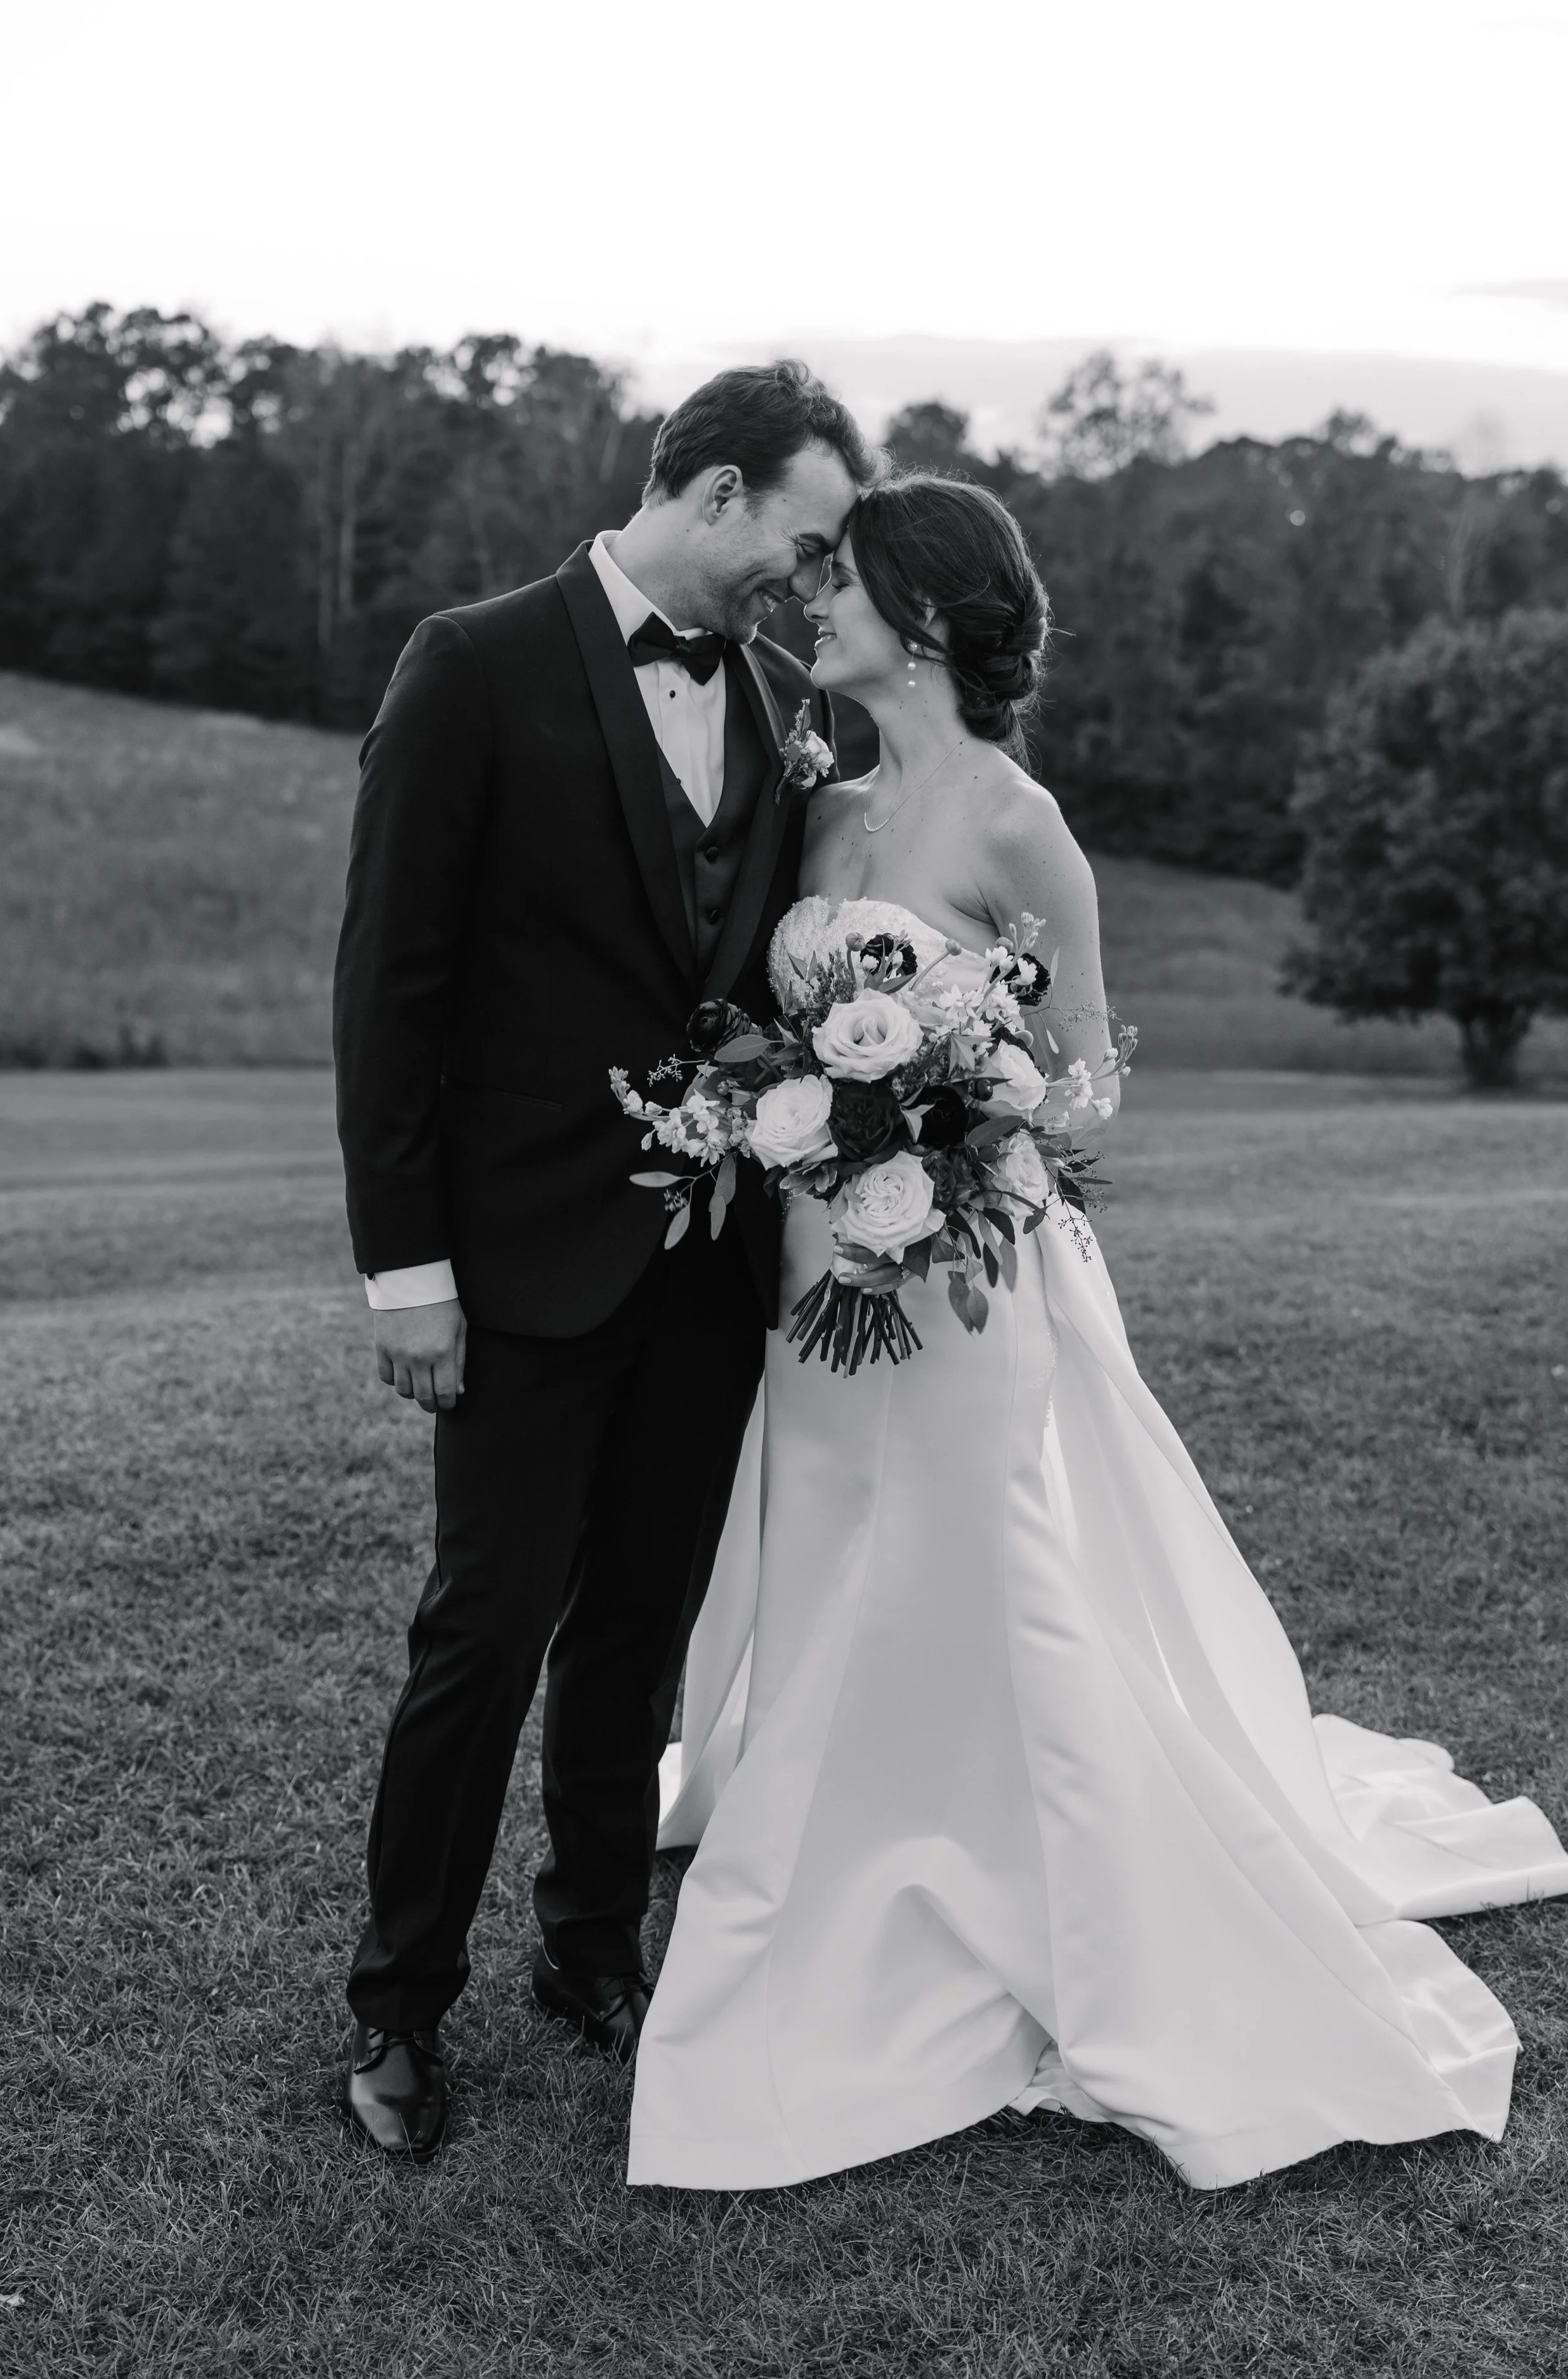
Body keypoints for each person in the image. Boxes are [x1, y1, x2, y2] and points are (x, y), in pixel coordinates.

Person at [626, 473, 1568, 2192]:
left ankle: (1007, 1866)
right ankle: (830, 1817)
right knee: (830, 1543)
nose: (804, 604)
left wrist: (953, 1117)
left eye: (836, 585)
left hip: (972, 1273)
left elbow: (1087, 1085)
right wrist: (802, 1112)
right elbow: (765, 1008)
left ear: (919, 620)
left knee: (979, 1554)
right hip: (807, 1260)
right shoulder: (817, 797)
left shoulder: (1015, 823)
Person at [332, 362, 873, 2160]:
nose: (802, 587)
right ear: (708, 493)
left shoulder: (788, 702)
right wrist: (403, 1262)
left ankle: (591, 1948)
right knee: (481, 1630)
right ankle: (400, 2001)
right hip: (514, 1256)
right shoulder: (470, 662)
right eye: (794, 546)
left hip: (708, 1263)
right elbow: (388, 983)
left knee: (636, 1627)